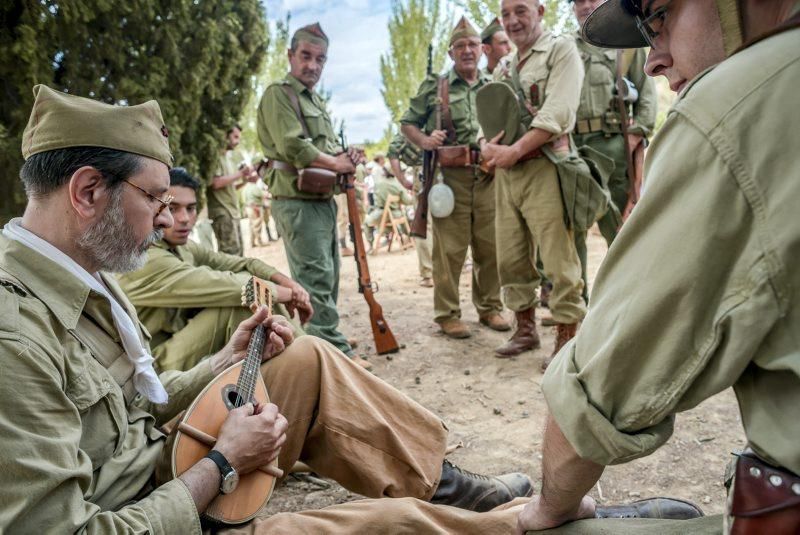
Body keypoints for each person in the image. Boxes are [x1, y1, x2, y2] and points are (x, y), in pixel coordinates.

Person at [0, 83, 541, 533]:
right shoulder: (15, 338)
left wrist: (220, 365)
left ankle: (451, 489)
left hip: (158, 471)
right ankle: (527, 524)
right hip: (154, 515)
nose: (165, 220)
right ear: (89, 192)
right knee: (391, 526)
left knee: (306, 359)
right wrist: (221, 464)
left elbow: (132, 412)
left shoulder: (84, 273)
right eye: (155, 200)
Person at [514, 0, 800, 533]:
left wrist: (551, 506)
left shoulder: (736, 100)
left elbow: (599, 393)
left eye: (659, 16)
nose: (652, 58)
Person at [117, 167, 318, 372]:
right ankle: (309, 363)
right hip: (151, 365)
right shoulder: (145, 257)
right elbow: (229, 285)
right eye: (172, 208)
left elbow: (243, 263)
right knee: (241, 302)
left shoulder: (182, 246)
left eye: (191, 208)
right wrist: (284, 293)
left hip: (181, 340)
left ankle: (309, 356)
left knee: (254, 295)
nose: (185, 218)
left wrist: (288, 283)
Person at [480, 0, 586, 365]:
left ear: (540, 11)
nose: (512, 21)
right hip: (508, 175)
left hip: (545, 166)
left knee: (559, 259)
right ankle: (525, 329)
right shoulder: (505, 66)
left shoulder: (561, 50)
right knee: (509, 257)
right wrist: (487, 147)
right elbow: (488, 116)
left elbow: (558, 111)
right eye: (506, 14)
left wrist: (514, 151)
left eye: (520, 11)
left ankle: (568, 338)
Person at [402, 16, 510, 339]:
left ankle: (490, 307)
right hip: (449, 180)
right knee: (449, 251)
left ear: (482, 49)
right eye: (460, 46)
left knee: (489, 247)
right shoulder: (436, 87)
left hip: (488, 175)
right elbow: (407, 122)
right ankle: (447, 314)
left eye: (472, 45)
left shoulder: (494, 84)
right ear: (451, 53)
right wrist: (424, 140)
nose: (467, 51)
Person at [256, 23, 357, 357]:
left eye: (320, 59)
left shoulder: (313, 100)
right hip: (297, 202)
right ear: (290, 55)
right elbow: (292, 146)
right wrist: (337, 163)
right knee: (314, 277)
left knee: (327, 278)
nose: (313, 65)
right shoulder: (279, 94)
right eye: (306, 56)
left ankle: (325, 337)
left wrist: (345, 157)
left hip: (321, 200)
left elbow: (323, 149)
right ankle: (334, 354)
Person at [566, 0, 657, 304]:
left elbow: (646, 94)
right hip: (573, 148)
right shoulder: (564, 48)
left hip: (615, 146)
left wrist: (638, 131)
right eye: (578, 1)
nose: (585, 5)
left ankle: (627, 301)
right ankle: (578, 306)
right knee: (573, 226)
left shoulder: (624, 44)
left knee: (620, 227)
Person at [387, 131, 434, 287]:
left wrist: (401, 178)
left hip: (421, 174)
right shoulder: (433, 118)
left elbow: (393, 151)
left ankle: (428, 274)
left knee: (423, 224)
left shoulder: (411, 124)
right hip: (443, 170)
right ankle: (444, 270)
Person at [207, 124, 254, 256]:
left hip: (233, 212)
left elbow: (229, 185)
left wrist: (245, 181)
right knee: (230, 256)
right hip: (223, 212)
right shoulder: (216, 157)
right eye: (235, 137)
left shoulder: (228, 158)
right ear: (225, 136)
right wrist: (240, 174)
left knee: (239, 254)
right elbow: (215, 183)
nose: (237, 141)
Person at [242, 178, 270, 248]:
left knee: (252, 226)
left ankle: (252, 242)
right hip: (255, 208)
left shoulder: (245, 188)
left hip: (248, 208)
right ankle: (260, 242)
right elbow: (262, 195)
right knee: (257, 225)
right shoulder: (254, 187)